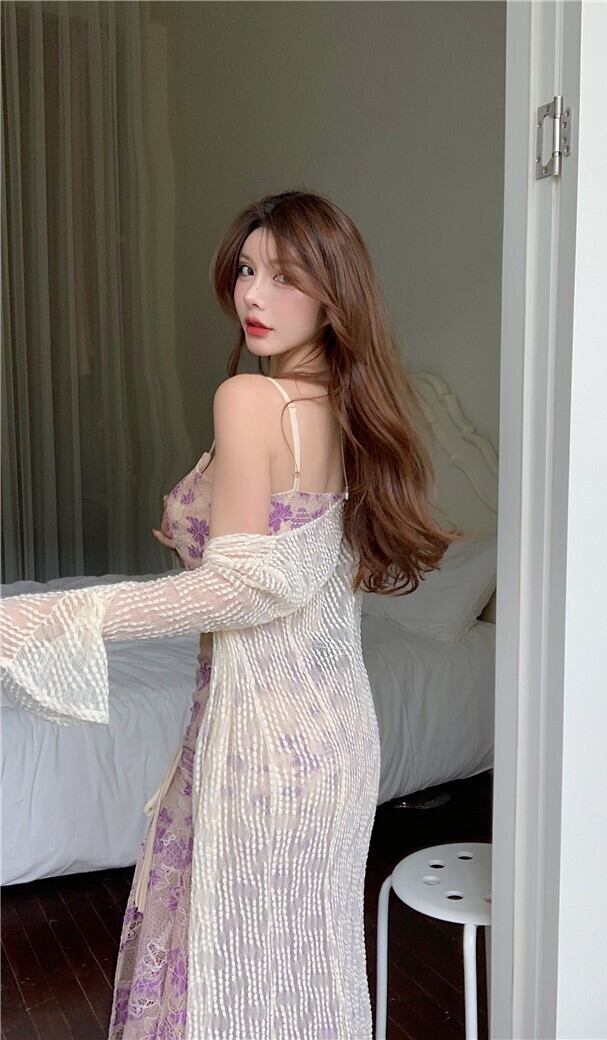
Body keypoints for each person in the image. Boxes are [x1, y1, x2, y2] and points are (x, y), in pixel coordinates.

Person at [0, 189, 465, 1040]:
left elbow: (241, 589)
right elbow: (285, 573)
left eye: (285, 277)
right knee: (298, 977)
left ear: (334, 293)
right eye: (247, 270)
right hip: (334, 738)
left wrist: (51, 617)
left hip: (266, 742)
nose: (253, 294)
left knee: (231, 978)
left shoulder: (254, 400)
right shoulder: (344, 407)